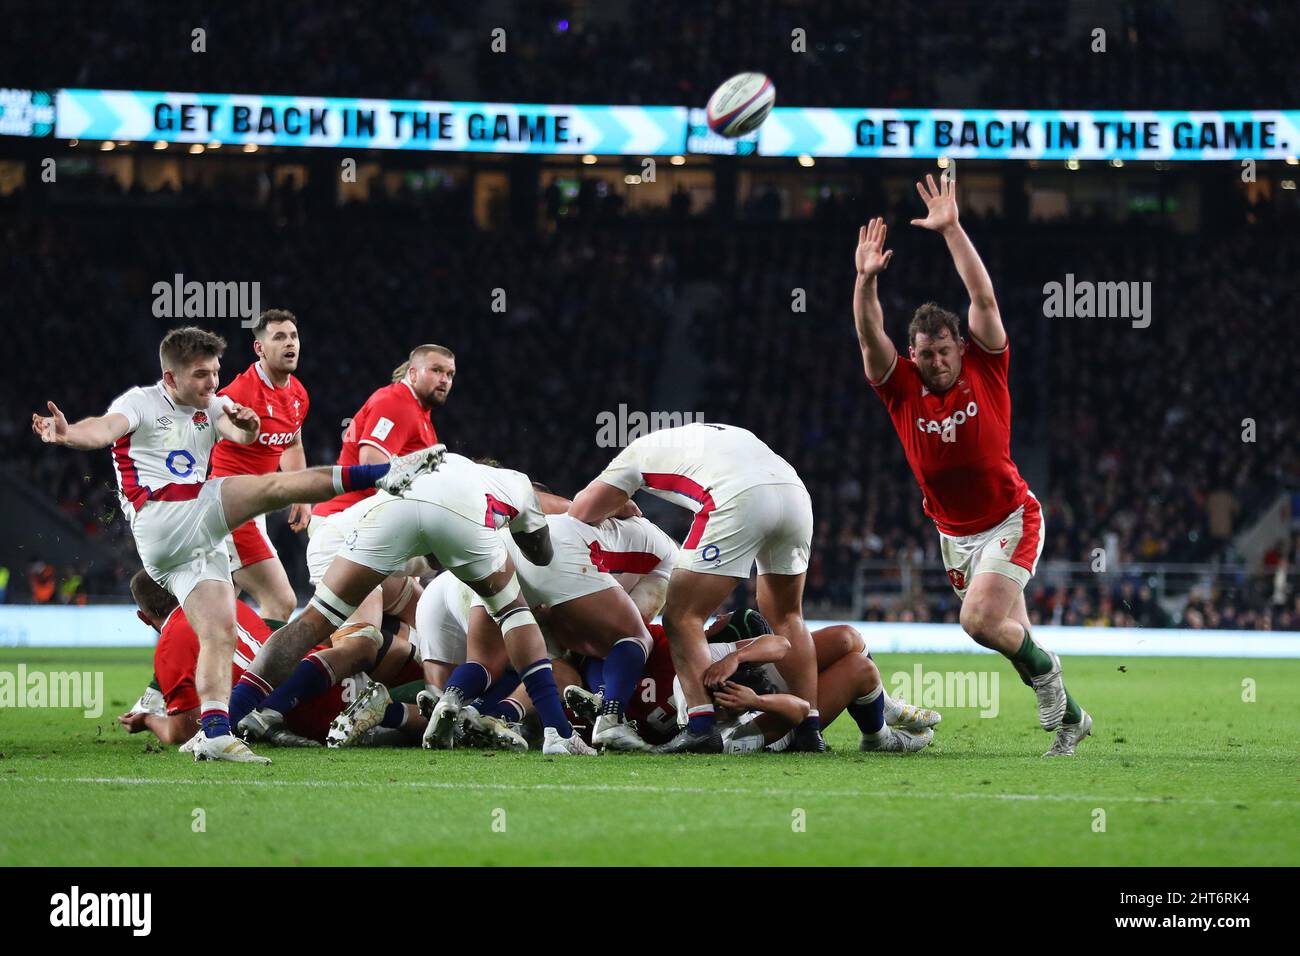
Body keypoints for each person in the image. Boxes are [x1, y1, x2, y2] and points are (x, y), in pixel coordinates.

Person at [32, 325, 441, 762]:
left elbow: (236, 430)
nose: (212, 384)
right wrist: (69, 433)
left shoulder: (216, 403)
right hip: (164, 515)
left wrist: (245, 427)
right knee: (274, 487)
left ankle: (215, 731)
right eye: (201, 375)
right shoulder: (141, 403)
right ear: (170, 378)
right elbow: (103, 429)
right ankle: (383, 474)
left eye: (214, 372)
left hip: (186, 545)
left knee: (220, 633)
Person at [851, 176, 1091, 756]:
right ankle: (1072, 721)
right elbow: (868, 334)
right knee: (1013, 635)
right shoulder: (901, 387)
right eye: (925, 352)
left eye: (944, 349)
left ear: (961, 346)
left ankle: (1052, 675)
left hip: (1011, 517)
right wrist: (865, 280)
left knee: (979, 622)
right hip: (953, 534)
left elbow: (982, 299)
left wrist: (953, 229)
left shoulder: (987, 367)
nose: (935, 360)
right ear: (913, 355)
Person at [228, 453, 596, 756]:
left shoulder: (452, 465)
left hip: (384, 523)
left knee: (314, 620)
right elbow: (543, 550)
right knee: (513, 614)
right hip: (421, 526)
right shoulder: (518, 485)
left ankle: (226, 720)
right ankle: (558, 734)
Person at [568, 422, 821, 753]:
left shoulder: (636, 451)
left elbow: (580, 512)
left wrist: (619, 504)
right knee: (788, 615)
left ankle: (701, 728)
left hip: (738, 496)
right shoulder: (722, 434)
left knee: (681, 615)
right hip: (795, 493)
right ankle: (809, 729)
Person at [209, 309, 310, 626]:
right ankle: (261, 676)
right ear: (260, 348)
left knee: (220, 606)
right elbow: (209, 427)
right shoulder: (238, 394)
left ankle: (187, 668)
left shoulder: (297, 395)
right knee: (281, 600)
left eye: (293, 336)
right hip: (232, 505)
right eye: (279, 337)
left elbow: (292, 444)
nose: (289, 342)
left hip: (255, 507)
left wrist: (302, 495)